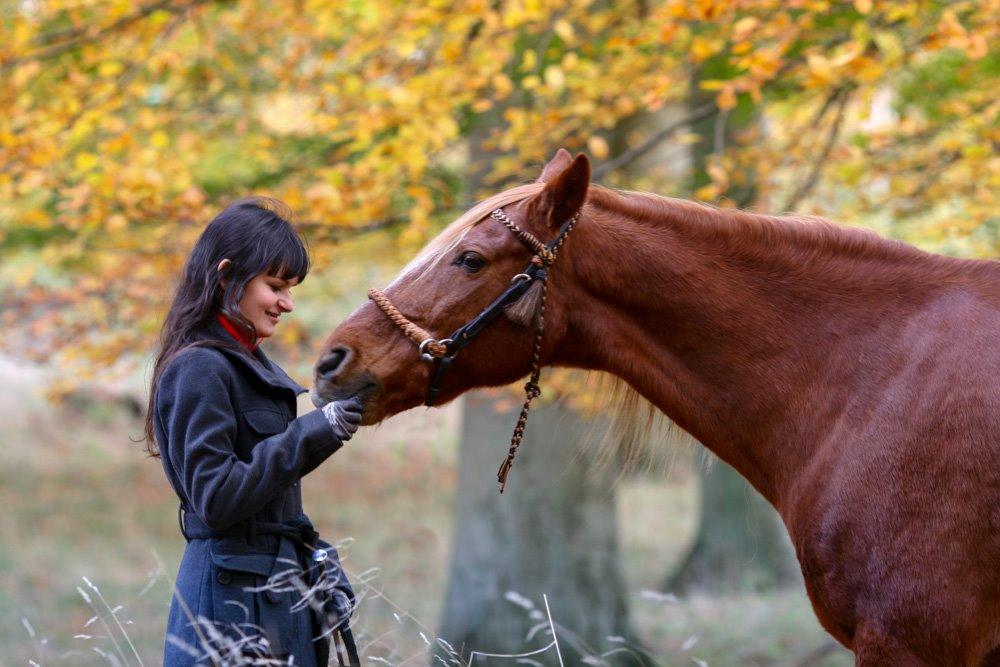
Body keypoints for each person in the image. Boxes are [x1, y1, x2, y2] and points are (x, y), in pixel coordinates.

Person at [143, 197, 363, 666]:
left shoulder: (245, 363)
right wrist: (316, 431)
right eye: (276, 285)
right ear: (226, 275)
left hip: (273, 597)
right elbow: (218, 499)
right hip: (228, 608)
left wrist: (317, 561)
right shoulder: (200, 368)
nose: (287, 303)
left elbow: (268, 505)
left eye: (290, 288)